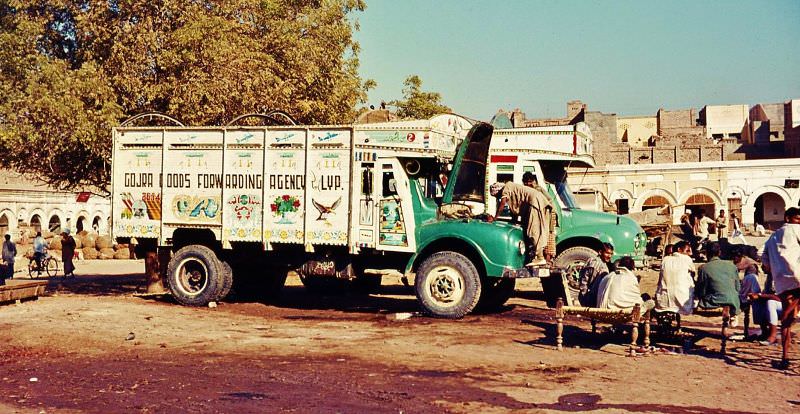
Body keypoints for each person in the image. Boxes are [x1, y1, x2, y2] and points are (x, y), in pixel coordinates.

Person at [761, 207, 800, 369]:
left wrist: (774, 267)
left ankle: (785, 358)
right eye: (798, 218)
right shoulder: (796, 229)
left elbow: (764, 260)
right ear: (788, 218)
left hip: (783, 282)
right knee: (788, 316)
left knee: (787, 322)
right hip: (798, 277)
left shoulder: (772, 237)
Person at [488, 182, 553, 266]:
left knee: (534, 230)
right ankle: (536, 256)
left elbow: (502, 204)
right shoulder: (512, 187)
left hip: (534, 202)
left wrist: (495, 218)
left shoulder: (506, 189)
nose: (499, 198)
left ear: (498, 191)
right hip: (539, 200)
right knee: (537, 229)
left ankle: (540, 257)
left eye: (497, 196)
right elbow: (515, 208)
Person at [739, 264, 782, 344]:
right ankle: (765, 332)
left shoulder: (778, 276)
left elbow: (779, 297)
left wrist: (759, 295)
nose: (762, 267)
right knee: (756, 301)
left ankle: (772, 335)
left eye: (764, 265)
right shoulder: (770, 277)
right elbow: (766, 294)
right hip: (776, 305)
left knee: (770, 302)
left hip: (785, 305)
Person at [695, 242, 741, 315]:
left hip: (714, 301)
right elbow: (738, 288)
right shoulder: (731, 265)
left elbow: (702, 291)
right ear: (719, 253)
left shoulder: (704, 268)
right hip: (734, 301)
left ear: (706, 253)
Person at [655, 241, 696, 315]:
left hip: (663, 301)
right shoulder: (687, 259)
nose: (690, 254)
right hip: (682, 300)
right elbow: (693, 274)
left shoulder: (665, 260)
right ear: (679, 249)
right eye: (688, 251)